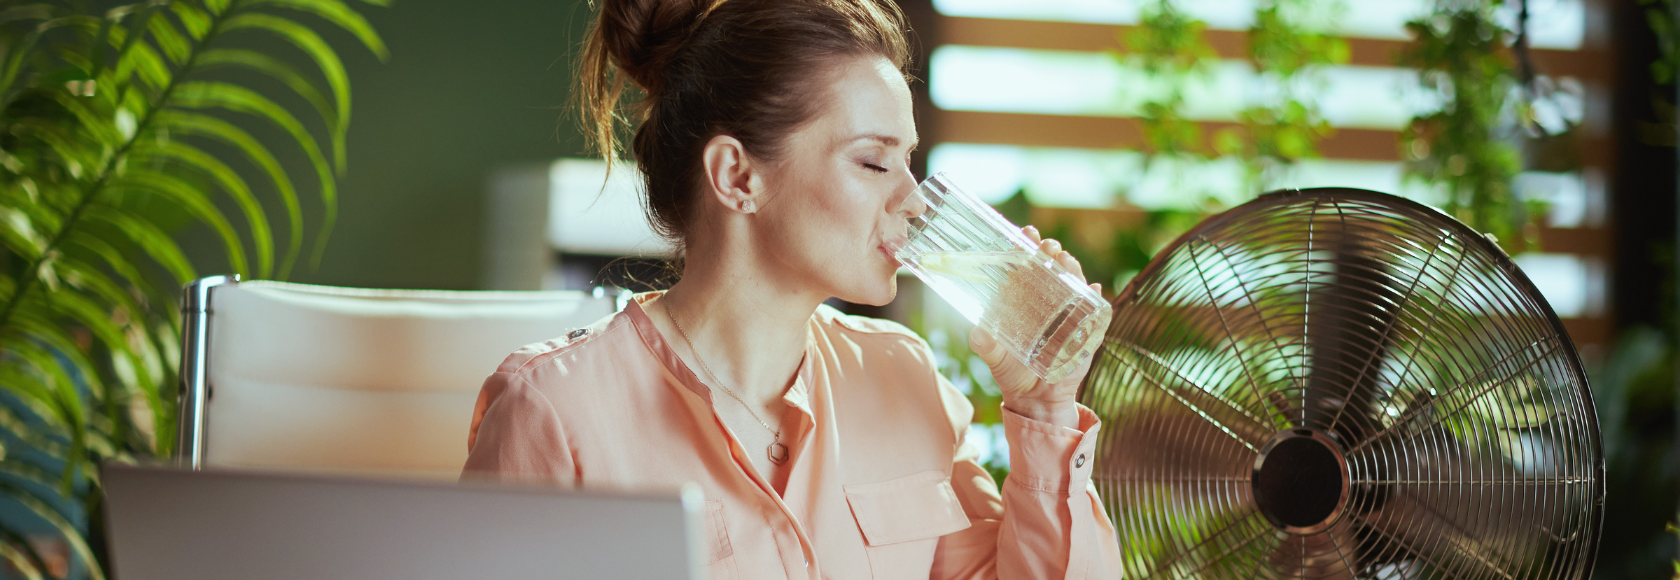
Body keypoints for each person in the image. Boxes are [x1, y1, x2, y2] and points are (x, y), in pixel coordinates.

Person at [461, 0, 1124, 577]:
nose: (915, 202)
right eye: (873, 161)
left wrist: (1044, 408)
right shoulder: (555, 414)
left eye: (910, 162)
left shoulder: (904, 378)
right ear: (737, 177)